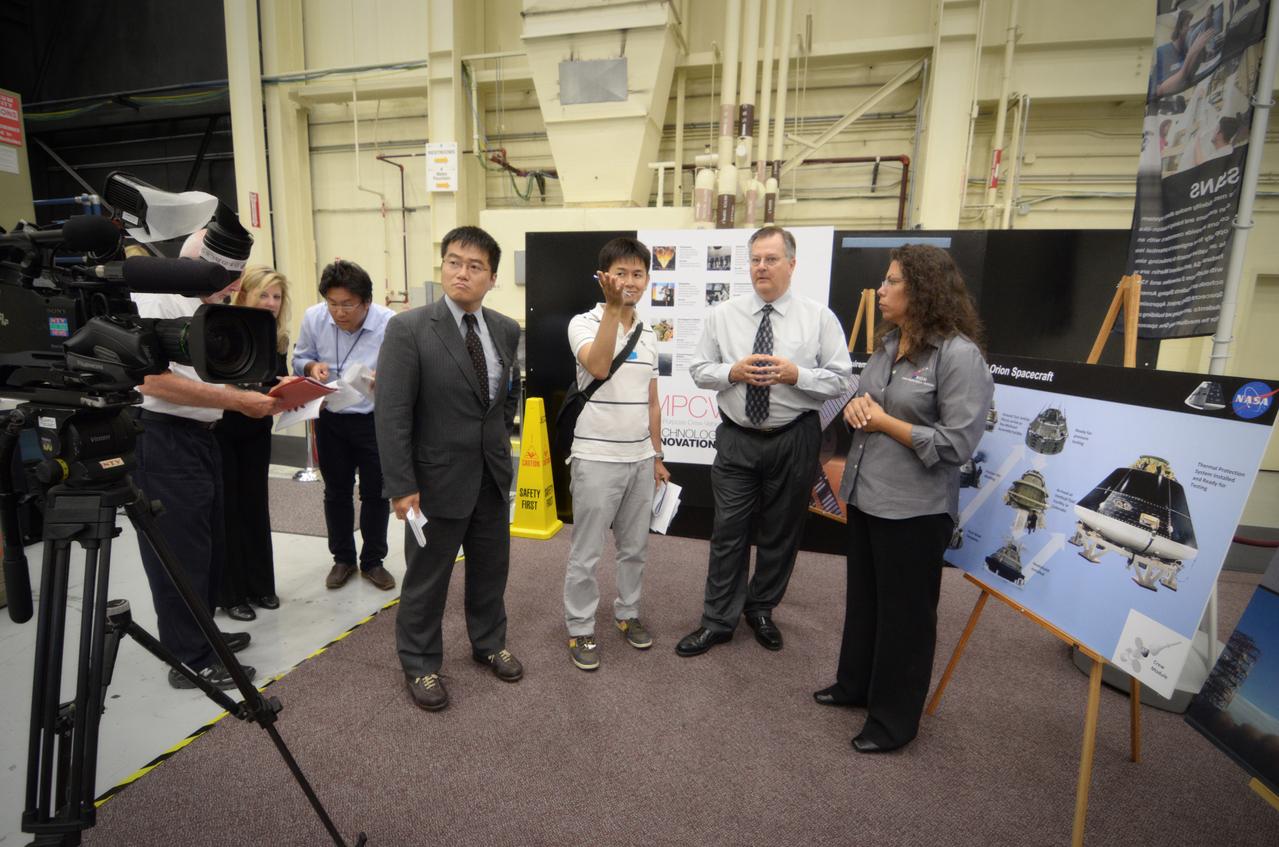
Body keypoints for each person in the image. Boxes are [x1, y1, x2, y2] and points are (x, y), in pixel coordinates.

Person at [815, 244, 993, 754]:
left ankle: (894, 721)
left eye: (893, 281)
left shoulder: (960, 357)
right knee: (866, 601)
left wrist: (884, 422)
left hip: (916, 509)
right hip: (868, 494)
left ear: (922, 291)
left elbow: (957, 444)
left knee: (907, 617)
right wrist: (857, 412)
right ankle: (856, 686)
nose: (882, 289)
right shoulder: (888, 344)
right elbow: (867, 401)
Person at [677, 225, 853, 657]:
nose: (761, 267)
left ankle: (760, 609)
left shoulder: (818, 318)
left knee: (781, 531)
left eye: (771, 259)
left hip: (794, 436)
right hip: (737, 437)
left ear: (791, 265)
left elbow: (841, 380)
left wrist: (798, 375)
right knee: (728, 532)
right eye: (755, 259)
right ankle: (718, 620)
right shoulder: (723, 315)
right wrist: (731, 373)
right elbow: (699, 369)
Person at [375, 225, 523, 711]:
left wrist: (497, 445)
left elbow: (505, 397)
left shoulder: (504, 328)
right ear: (442, 267)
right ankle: (420, 664)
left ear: (492, 277)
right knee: (427, 578)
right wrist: (401, 484)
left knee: (490, 571)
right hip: (433, 483)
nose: (463, 272)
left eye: (475, 265)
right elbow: (393, 412)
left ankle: (488, 642)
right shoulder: (409, 328)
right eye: (454, 262)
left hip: (491, 478)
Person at [132, 221, 283, 690]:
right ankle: (190, 658)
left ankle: (204, 635)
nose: (230, 288)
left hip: (200, 437)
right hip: (162, 437)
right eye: (222, 277)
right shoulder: (153, 301)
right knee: (180, 551)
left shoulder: (205, 302)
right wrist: (236, 400)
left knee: (209, 543)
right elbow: (150, 381)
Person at [563, 237, 670, 671]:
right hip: (595, 457)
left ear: (647, 279)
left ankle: (627, 614)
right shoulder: (583, 323)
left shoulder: (649, 334)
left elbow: (652, 402)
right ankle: (580, 628)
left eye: (638, 273)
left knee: (635, 548)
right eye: (620, 273)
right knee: (586, 552)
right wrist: (611, 310)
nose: (629, 281)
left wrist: (657, 456)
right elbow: (600, 366)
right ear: (603, 277)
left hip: (640, 460)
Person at [293, 260, 396, 592]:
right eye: (333, 303)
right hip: (330, 417)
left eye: (347, 304)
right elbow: (298, 358)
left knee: (375, 493)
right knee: (335, 491)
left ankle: (373, 561)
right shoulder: (314, 318)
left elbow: (403, 371)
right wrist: (311, 366)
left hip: (372, 419)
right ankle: (343, 559)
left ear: (366, 302)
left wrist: (387, 381)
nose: (339, 312)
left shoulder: (388, 324)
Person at [215, 266, 291, 621]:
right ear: (243, 294)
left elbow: (274, 380)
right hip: (221, 429)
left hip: (257, 430)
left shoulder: (277, 337)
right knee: (227, 509)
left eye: (276, 296)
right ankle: (231, 594)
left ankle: (262, 586)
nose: (271, 303)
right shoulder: (223, 330)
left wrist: (291, 387)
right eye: (263, 294)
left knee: (255, 507)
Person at [1153, 9, 1216, 98]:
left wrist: (1204, 54)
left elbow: (1189, 74)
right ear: (1179, 29)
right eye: (1187, 25)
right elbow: (1160, 90)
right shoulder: (1162, 52)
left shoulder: (1186, 47)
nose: (1190, 29)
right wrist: (1191, 53)